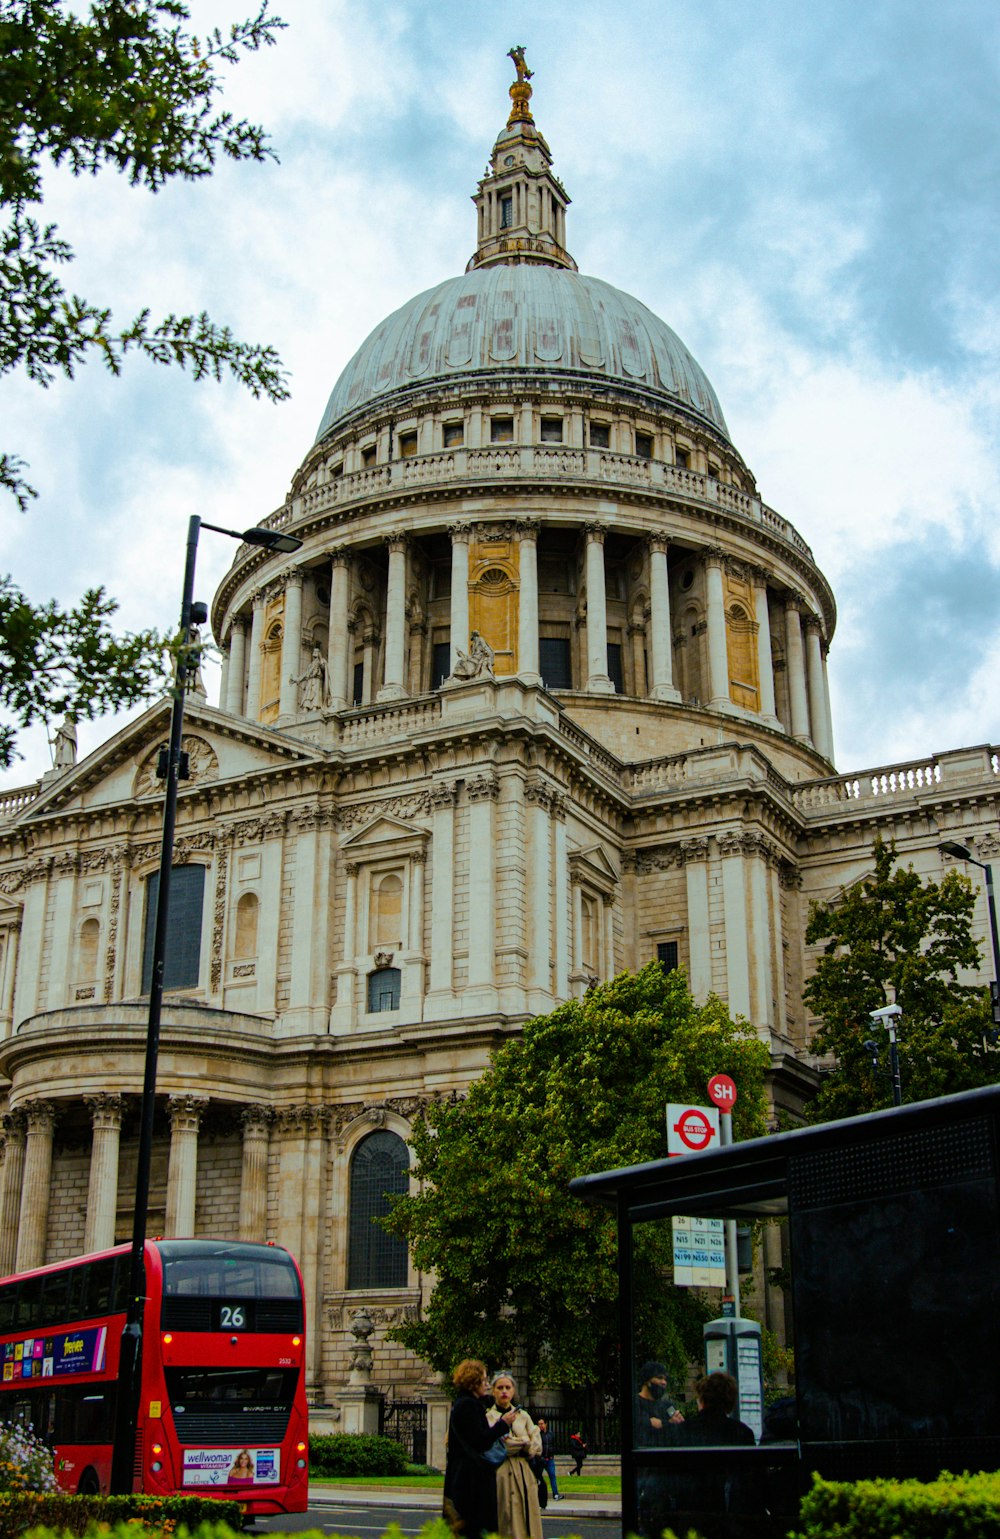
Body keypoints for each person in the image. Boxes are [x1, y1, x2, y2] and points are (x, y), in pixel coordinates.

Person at [443, 1358, 516, 1539]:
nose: (486, 1385)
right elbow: (481, 1441)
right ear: (473, 1382)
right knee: (475, 1528)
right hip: (470, 1480)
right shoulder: (468, 1405)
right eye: (483, 1381)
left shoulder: (464, 1403)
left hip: (464, 1477)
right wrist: (502, 1425)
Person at [670, 1371, 759, 1518]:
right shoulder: (742, 1433)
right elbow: (752, 1484)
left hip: (690, 1516)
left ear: (702, 1399)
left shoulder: (682, 1431)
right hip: (731, 1518)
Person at [487, 1372, 543, 1539]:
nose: (504, 1391)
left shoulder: (523, 1416)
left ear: (513, 1391)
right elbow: (496, 1446)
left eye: (508, 1387)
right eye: (500, 1388)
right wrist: (523, 1442)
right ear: (493, 1391)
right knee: (504, 1518)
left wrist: (522, 1443)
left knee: (528, 1519)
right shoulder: (488, 1417)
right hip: (500, 1473)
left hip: (524, 1472)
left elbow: (537, 1444)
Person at [636, 1359, 684, 1444]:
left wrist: (663, 1424)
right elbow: (643, 1424)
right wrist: (669, 1424)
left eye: (665, 1379)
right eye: (659, 1378)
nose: (664, 1382)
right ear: (647, 1380)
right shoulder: (635, 1403)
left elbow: (678, 1423)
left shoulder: (668, 1406)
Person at [292, 645, 329, 711]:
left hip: (317, 680)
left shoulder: (322, 661)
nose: (314, 653)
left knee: (316, 694)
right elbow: (306, 674)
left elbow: (324, 669)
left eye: (316, 652)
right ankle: (306, 707)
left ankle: (315, 707)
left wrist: (320, 661)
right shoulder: (311, 664)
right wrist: (298, 680)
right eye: (314, 652)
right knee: (308, 694)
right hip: (311, 681)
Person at [535, 1417, 562, 1501]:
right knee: (538, 1477)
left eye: (542, 1423)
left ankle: (556, 1494)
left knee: (552, 1476)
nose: (540, 1425)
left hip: (550, 1459)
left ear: (545, 1424)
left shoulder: (551, 1434)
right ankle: (536, 1495)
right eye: (539, 1424)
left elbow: (553, 1444)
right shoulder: (537, 1434)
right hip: (541, 1459)